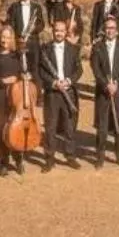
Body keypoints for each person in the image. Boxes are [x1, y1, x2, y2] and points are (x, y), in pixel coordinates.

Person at [0, 25, 31, 175]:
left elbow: (24, 72)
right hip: (1, 96)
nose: (4, 39)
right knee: (3, 130)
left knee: (17, 128)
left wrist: (25, 76)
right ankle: (4, 162)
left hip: (17, 97)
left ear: (12, 39)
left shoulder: (17, 55)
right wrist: (3, 81)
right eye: (2, 36)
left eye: (7, 37)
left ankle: (19, 160)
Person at [38, 19, 80, 170]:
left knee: (69, 127)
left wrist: (69, 81)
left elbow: (78, 70)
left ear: (66, 32)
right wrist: (53, 83)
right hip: (53, 93)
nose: (59, 33)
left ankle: (70, 156)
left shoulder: (73, 48)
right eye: (56, 30)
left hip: (69, 91)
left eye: (62, 30)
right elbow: (41, 71)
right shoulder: (45, 49)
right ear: (52, 31)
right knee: (50, 126)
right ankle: (49, 158)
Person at [91, 15, 119, 167]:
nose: (110, 31)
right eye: (107, 28)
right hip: (103, 92)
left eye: (112, 28)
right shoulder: (97, 47)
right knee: (102, 127)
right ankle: (99, 158)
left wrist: (116, 83)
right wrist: (105, 85)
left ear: (117, 30)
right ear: (104, 30)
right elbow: (95, 69)